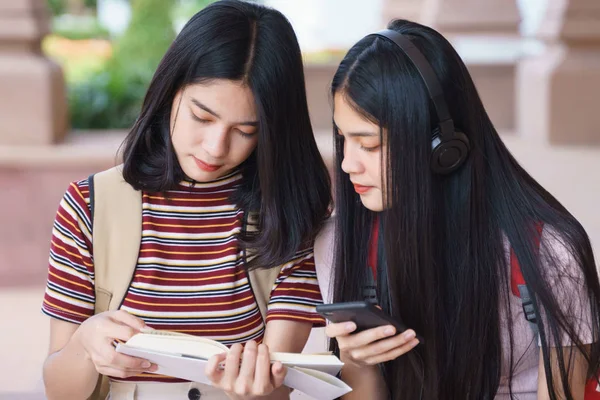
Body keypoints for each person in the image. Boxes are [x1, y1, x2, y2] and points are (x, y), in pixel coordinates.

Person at [41, 1, 331, 399]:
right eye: (202, 116)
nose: (215, 148)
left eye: (245, 131)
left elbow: (276, 393)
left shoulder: (287, 217)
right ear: (170, 92)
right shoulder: (88, 206)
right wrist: (84, 345)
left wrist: (255, 386)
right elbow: (60, 391)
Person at [322, 19, 600, 399]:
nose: (347, 164)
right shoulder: (344, 243)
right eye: (343, 139)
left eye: (368, 145)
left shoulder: (548, 253)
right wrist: (358, 364)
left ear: (442, 147)